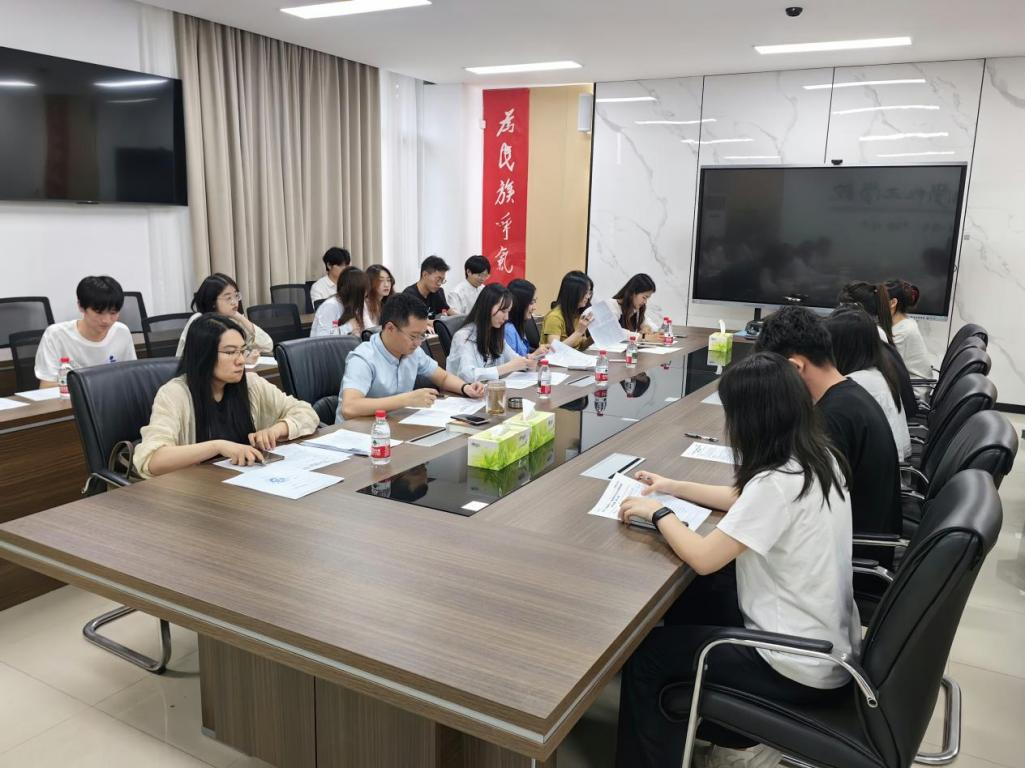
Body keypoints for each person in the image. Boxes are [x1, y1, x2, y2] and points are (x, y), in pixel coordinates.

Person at [615, 352, 857, 768]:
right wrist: (672, 485)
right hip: (827, 645)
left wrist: (659, 513)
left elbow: (703, 557)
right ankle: (708, 733)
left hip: (792, 663)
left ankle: (727, 741)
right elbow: (745, 501)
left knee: (649, 655)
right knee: (698, 598)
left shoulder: (777, 481)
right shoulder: (817, 457)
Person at [755, 306, 901, 540]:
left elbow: (778, 500)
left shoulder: (831, 419)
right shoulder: (851, 395)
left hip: (850, 547)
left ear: (795, 367)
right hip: (858, 534)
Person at [134, 314, 318, 478]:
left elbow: (306, 412)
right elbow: (153, 461)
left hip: (247, 484)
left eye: (242, 351)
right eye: (230, 352)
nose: (241, 360)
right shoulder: (174, 394)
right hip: (197, 492)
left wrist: (276, 430)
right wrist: (218, 446)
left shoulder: (251, 384)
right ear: (203, 355)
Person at [338, 293, 486, 421]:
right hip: (357, 432)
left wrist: (466, 388)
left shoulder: (413, 352)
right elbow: (349, 408)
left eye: (422, 335)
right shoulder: (363, 358)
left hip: (394, 424)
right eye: (413, 336)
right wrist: (406, 400)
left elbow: (443, 377)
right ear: (390, 328)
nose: (418, 343)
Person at [825, 308, 911, 460]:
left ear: (843, 347)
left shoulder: (857, 385)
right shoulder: (878, 371)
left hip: (883, 469)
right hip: (892, 465)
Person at [34, 275, 137, 386]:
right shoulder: (55, 335)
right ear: (81, 306)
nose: (106, 320)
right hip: (71, 397)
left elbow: (131, 377)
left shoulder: (121, 332)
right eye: (99, 312)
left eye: (113, 313)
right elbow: (47, 387)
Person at [447, 284, 545, 382]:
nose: (506, 317)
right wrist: (508, 367)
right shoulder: (463, 336)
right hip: (468, 390)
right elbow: (467, 375)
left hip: (492, 388)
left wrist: (527, 362)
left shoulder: (495, 332)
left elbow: (514, 359)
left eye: (508, 311)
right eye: (503, 311)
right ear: (487, 307)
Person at [175, 274, 273, 358]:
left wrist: (241, 318)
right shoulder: (198, 320)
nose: (234, 302)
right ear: (213, 302)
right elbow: (202, 359)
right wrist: (243, 359)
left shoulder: (233, 319)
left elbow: (267, 346)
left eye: (236, 296)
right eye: (228, 298)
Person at [885, 278, 932, 379]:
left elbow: (885, 366)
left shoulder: (903, 332)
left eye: (881, 300)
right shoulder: (905, 322)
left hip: (914, 387)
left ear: (893, 303)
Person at [542, 271, 594, 350]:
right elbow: (553, 350)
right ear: (573, 293)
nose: (588, 297)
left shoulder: (578, 313)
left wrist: (595, 337)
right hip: (556, 358)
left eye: (589, 292)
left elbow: (580, 346)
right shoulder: (554, 317)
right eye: (585, 292)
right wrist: (579, 332)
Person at [310, 267, 368, 337]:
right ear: (354, 291)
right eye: (363, 291)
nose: (366, 294)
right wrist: (348, 327)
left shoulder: (352, 304)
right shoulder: (330, 306)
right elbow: (321, 336)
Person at [504, 278, 546, 356]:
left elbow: (524, 350)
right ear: (520, 304)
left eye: (535, 301)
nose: (534, 308)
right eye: (531, 302)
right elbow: (514, 361)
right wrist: (535, 354)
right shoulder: (508, 330)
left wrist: (540, 350)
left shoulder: (519, 324)